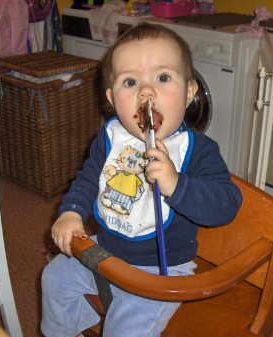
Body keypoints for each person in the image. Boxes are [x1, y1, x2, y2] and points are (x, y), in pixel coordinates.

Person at [41, 22, 242, 337]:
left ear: (189, 93)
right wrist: (71, 211)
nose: (146, 92)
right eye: (130, 81)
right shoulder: (111, 138)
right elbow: (88, 179)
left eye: (163, 78)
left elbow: (227, 204)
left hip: (161, 271)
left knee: (123, 330)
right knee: (54, 278)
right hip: (107, 251)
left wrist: (176, 183)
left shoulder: (199, 151)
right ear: (111, 98)